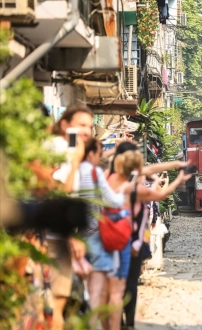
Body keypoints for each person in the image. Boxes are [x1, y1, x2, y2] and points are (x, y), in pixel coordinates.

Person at [102, 145, 192, 330]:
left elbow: (148, 170)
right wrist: (179, 176)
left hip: (108, 238)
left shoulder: (108, 178)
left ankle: (114, 323)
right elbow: (161, 193)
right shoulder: (134, 188)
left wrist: (175, 163)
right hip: (131, 239)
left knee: (114, 284)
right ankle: (129, 322)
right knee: (130, 283)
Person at [45, 105, 93, 330]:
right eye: (81, 125)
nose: (87, 131)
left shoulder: (64, 148)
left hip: (54, 234)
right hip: (54, 236)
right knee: (57, 300)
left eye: (90, 127)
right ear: (64, 124)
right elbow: (59, 193)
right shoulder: (62, 149)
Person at [77, 138, 133, 327]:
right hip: (95, 236)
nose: (99, 157)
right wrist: (124, 190)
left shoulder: (73, 172)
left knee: (82, 290)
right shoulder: (94, 172)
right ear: (92, 153)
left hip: (77, 236)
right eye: (100, 153)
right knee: (97, 291)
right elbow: (113, 201)